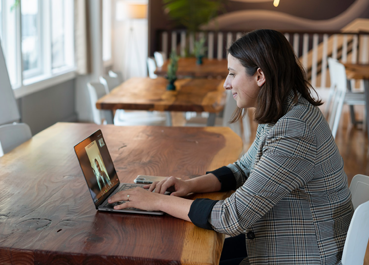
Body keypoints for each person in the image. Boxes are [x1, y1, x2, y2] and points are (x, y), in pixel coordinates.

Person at [108, 29, 354, 265]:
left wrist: (156, 202)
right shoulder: (284, 110)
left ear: (260, 76)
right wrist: (190, 184)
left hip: (304, 255)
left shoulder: (295, 130)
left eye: (232, 74)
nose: (226, 84)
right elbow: (243, 168)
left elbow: (231, 217)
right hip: (283, 241)